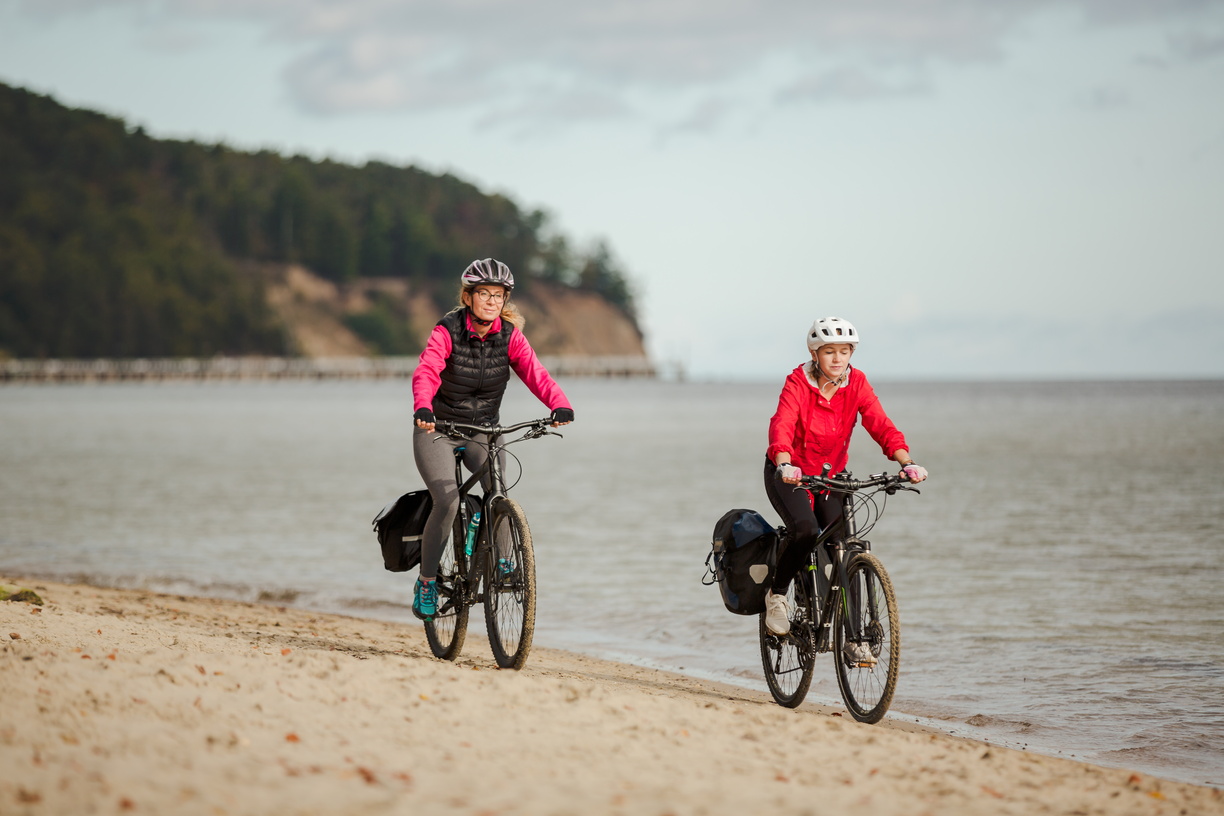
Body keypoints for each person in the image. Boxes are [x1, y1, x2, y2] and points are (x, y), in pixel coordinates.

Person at [410, 258, 574, 620]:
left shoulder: (510, 336)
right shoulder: (447, 330)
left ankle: (503, 563)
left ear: (505, 300)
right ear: (468, 297)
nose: (490, 301)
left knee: (498, 492)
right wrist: (423, 407)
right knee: (448, 501)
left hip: (484, 429)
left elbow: (536, 374)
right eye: (483, 293)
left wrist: (559, 404)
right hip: (438, 429)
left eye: (497, 295)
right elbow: (427, 370)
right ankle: (426, 581)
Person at [763, 316, 927, 664]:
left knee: (845, 547)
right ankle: (777, 595)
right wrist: (784, 461)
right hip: (790, 473)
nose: (838, 359)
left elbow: (880, 423)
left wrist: (906, 462)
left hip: (831, 476)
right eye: (830, 352)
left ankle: (853, 638)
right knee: (805, 530)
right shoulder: (797, 382)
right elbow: (782, 425)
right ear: (815, 353)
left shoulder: (857, 383)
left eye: (845, 351)